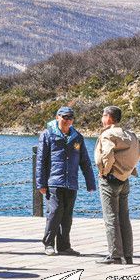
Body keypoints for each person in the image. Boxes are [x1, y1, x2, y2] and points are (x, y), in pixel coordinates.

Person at [37, 106, 96, 256]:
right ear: (57, 117)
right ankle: (49, 244)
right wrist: (41, 184)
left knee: (67, 216)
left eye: (70, 118)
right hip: (54, 182)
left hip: (71, 182)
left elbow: (85, 161)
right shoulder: (47, 135)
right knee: (54, 213)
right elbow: (41, 161)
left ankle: (64, 247)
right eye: (65, 117)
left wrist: (90, 183)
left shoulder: (77, 137)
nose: (67, 120)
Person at [94, 106, 140, 265]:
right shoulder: (130, 134)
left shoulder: (107, 134)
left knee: (110, 217)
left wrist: (104, 171)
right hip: (125, 179)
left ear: (108, 118)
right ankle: (128, 255)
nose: (102, 119)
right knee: (124, 217)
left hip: (110, 179)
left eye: (103, 116)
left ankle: (115, 255)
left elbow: (107, 155)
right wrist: (128, 167)